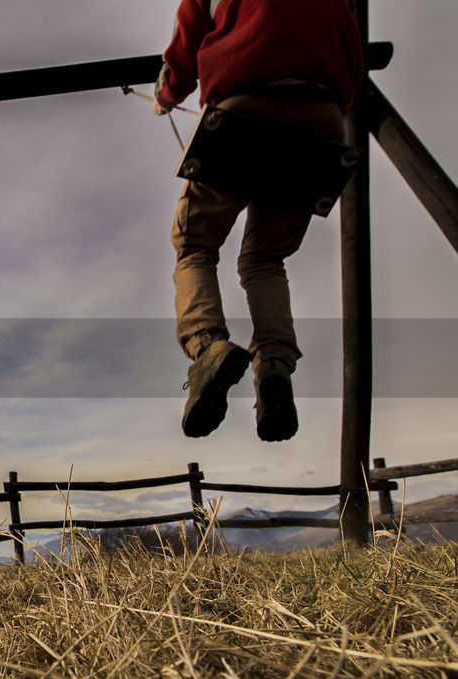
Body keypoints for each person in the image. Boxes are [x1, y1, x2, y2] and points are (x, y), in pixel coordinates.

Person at [153, 0, 364, 441]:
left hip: (244, 105)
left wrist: (166, 94)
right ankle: (275, 372)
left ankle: (207, 347)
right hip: (322, 119)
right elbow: (353, 55)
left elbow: (186, 43)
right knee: (265, 260)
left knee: (195, 245)